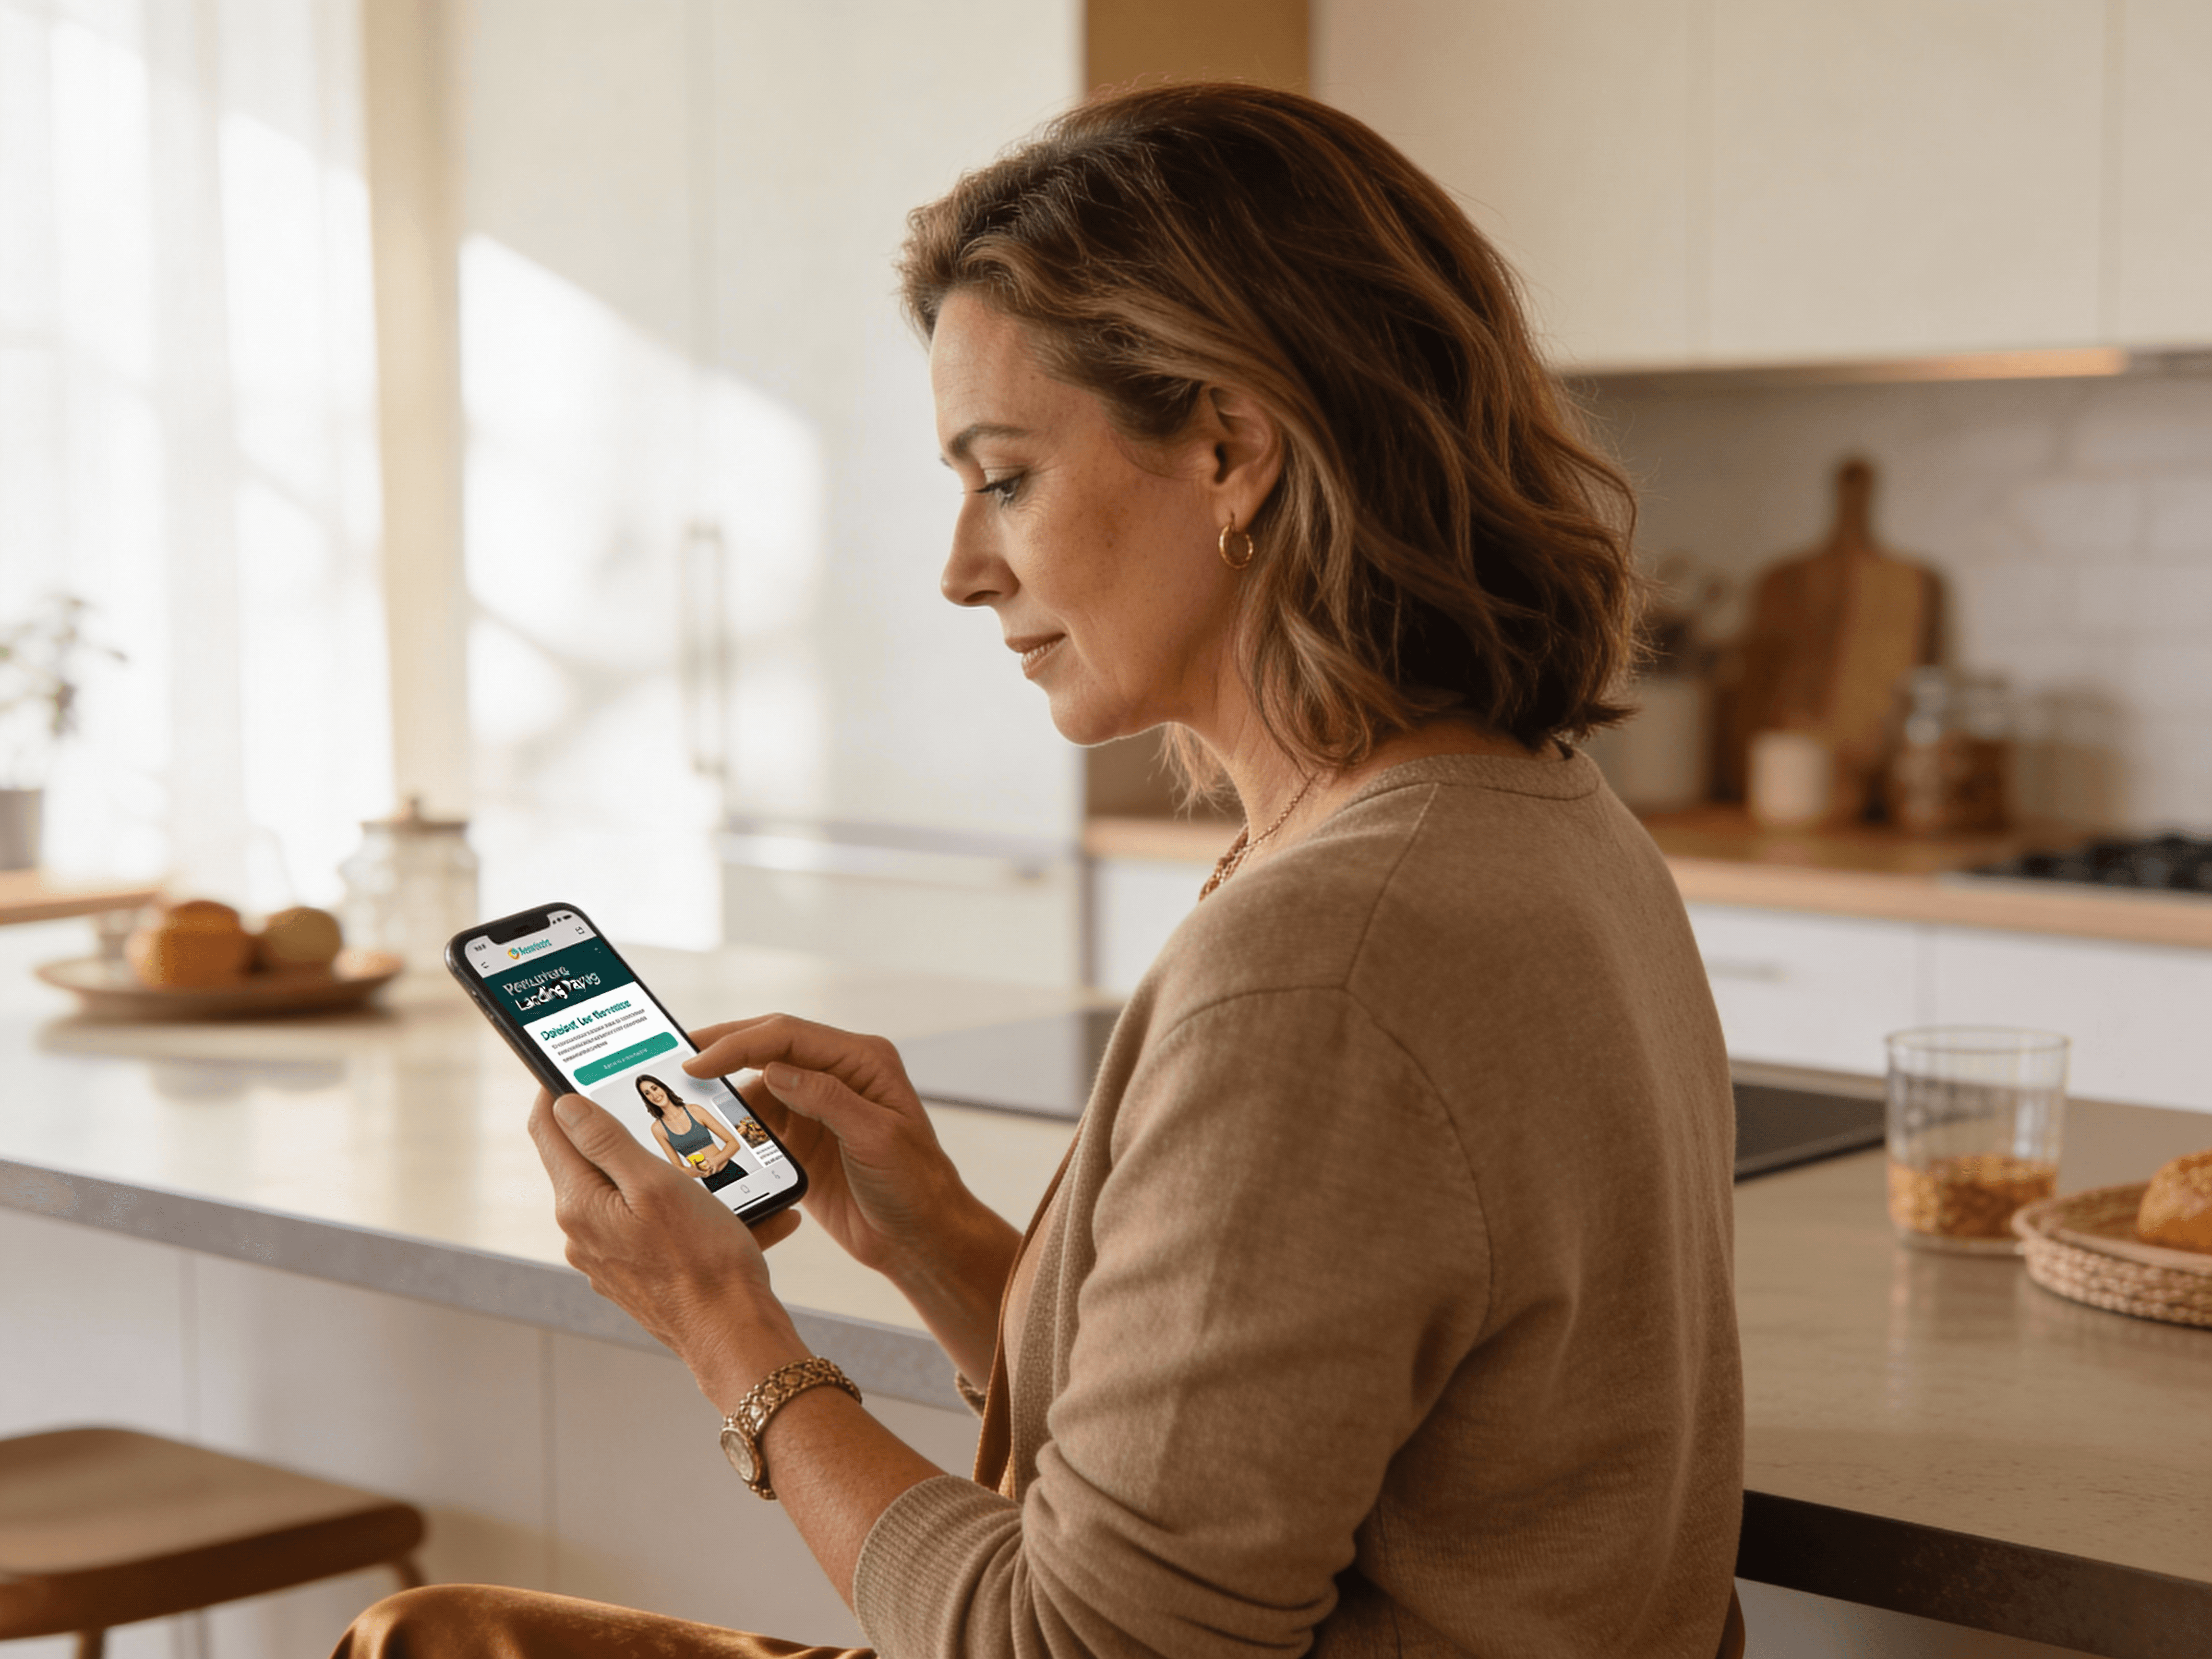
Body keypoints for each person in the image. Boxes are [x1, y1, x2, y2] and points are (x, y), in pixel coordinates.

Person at [338, 82, 1743, 1659]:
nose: (959, 566)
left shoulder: (1324, 958)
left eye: (1001, 476)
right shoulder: (1522, 816)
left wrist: (725, 1329)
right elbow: (1247, 1440)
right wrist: (939, 1240)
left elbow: (1074, 1644)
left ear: (1225, 448)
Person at [638, 1072, 747, 1193]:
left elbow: (733, 1143)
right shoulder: (658, 1129)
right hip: (711, 1183)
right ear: (646, 1099)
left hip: (732, 1171)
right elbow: (677, 1168)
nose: (654, 1095)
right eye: (647, 1093)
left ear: (664, 1088)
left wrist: (715, 1161)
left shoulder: (695, 1110)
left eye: (655, 1088)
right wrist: (694, 1172)